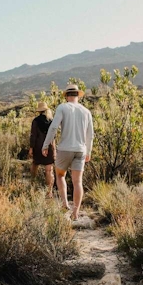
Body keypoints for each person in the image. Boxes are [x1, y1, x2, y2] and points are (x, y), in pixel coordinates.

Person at [42, 84, 93, 221]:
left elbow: (53, 128)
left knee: (60, 175)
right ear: (78, 95)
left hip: (65, 148)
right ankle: (76, 212)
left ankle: (65, 203)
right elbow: (90, 135)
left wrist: (46, 144)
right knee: (78, 182)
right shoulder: (86, 111)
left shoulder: (63, 107)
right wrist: (88, 151)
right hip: (81, 150)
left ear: (66, 96)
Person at [29, 101, 55, 198]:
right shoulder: (51, 121)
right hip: (49, 147)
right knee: (49, 170)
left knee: (35, 164)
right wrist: (54, 149)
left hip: (38, 146)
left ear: (39, 111)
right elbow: (54, 137)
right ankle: (49, 192)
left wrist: (31, 148)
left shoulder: (35, 121)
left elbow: (33, 136)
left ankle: (33, 184)